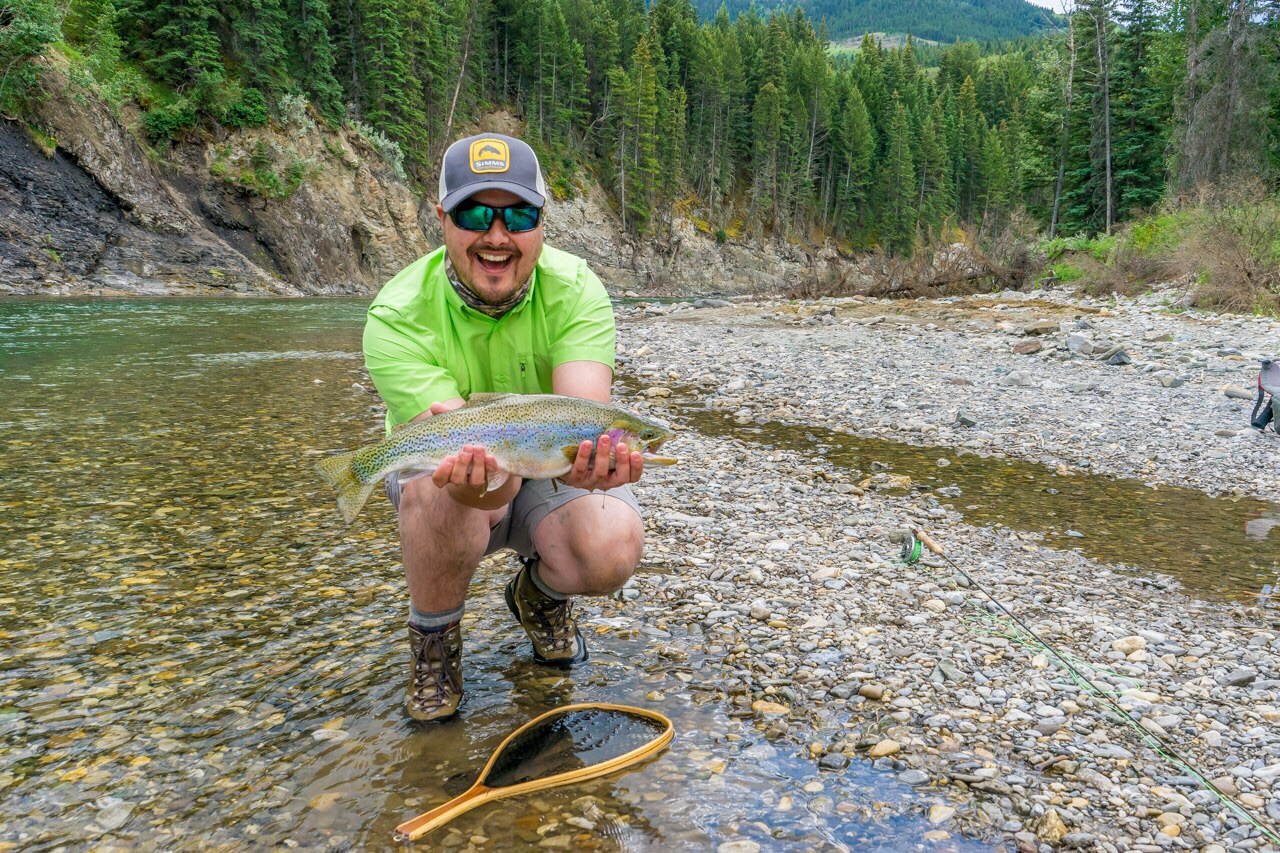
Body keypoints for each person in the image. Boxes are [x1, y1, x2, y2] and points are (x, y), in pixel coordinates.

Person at [362, 132, 650, 722]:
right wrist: (483, 483)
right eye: (474, 213)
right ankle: (435, 646)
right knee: (439, 492)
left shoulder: (576, 289)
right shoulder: (396, 314)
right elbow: (467, 474)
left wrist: (597, 467)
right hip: (452, 473)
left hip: (540, 456)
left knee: (613, 540)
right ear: (442, 218)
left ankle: (538, 596)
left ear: (541, 222)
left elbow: (583, 417)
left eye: (518, 214)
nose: (497, 235)